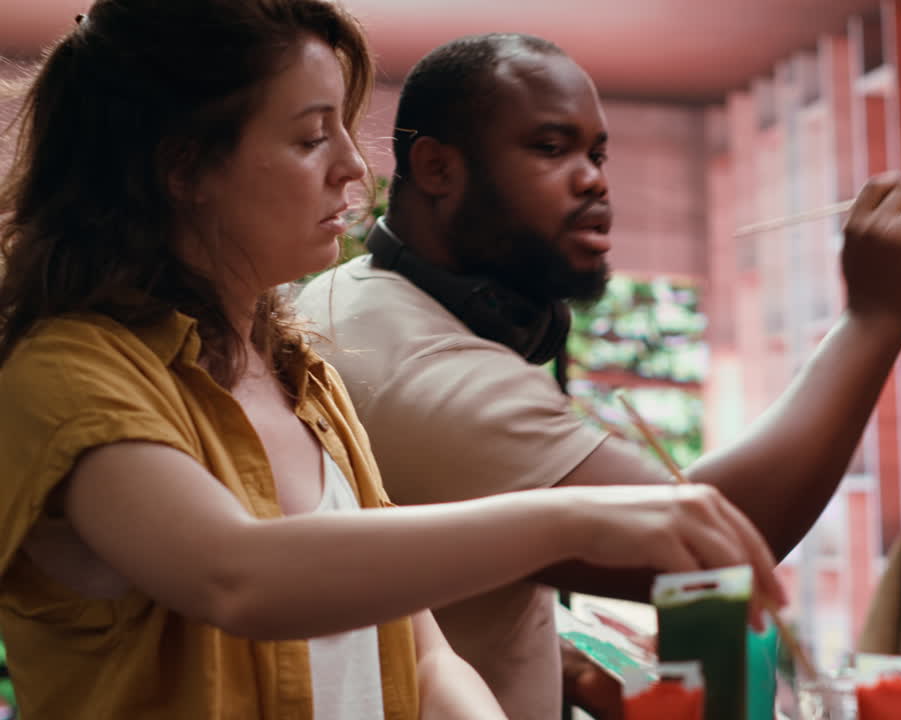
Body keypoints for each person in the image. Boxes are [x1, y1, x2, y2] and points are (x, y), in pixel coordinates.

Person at [0, 5, 785, 719]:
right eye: (312, 137)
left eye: (346, 128)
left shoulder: (302, 375)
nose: (354, 168)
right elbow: (238, 576)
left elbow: (424, 657)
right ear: (183, 168)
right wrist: (572, 520)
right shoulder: (65, 377)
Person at [294, 32, 901, 720]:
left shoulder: (355, 302)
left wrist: (562, 667)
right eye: (551, 148)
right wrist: (875, 317)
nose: (594, 179)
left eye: (597, 153)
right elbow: (710, 543)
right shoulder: (418, 364)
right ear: (435, 168)